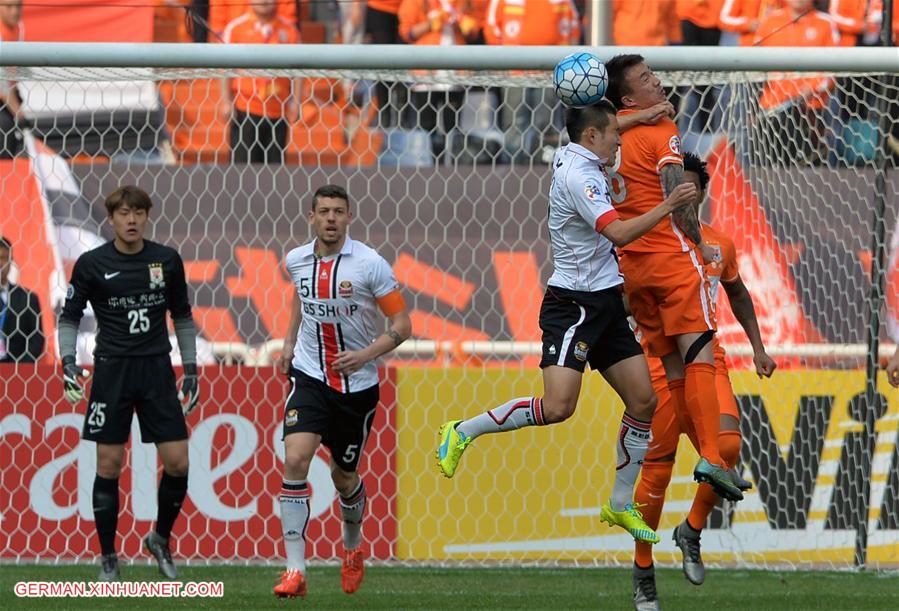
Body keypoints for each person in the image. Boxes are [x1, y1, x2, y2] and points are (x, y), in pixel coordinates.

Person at [436, 101, 698, 544]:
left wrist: (648, 112)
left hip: (607, 302)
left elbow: (606, 126)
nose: (621, 138)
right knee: (558, 407)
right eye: (615, 132)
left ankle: (618, 505)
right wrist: (670, 204)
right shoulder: (580, 177)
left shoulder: (578, 149)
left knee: (643, 401)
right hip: (574, 305)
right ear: (593, 137)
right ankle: (461, 431)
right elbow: (617, 233)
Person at [630, 153, 777, 611]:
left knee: (727, 451)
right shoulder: (645, 243)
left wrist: (757, 346)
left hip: (707, 358)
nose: (682, 199)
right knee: (656, 469)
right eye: (675, 190)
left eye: (690, 191)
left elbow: (738, 292)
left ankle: (691, 529)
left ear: (701, 194)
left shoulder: (718, 245)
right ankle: (643, 569)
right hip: (657, 364)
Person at [604, 54, 744, 503]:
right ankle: (710, 457)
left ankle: (705, 462)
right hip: (669, 258)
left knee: (672, 366)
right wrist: (697, 240)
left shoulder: (600, 136)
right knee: (700, 350)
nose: (658, 82)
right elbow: (676, 192)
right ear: (628, 96)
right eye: (646, 78)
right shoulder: (661, 129)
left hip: (630, 267)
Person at [274, 184, 412, 598]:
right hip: (309, 375)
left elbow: (402, 327)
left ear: (349, 217)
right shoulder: (296, 260)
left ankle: (352, 547)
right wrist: (287, 343)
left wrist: (364, 355)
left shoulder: (370, 265)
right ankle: (295, 572)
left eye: (338, 211)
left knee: (343, 474)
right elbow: (302, 298)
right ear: (311, 218)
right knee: (295, 458)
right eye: (324, 211)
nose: (331, 218)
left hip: (357, 386)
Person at [58, 186, 200, 581]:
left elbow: (183, 316)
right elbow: (69, 316)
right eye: (124, 213)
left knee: (178, 461)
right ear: (111, 218)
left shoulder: (166, 260)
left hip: (156, 369)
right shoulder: (91, 263)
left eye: (138, 212)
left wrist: (191, 368)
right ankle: (108, 557)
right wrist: (68, 360)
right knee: (108, 464)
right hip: (112, 371)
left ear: (147, 216)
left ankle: (160, 538)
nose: (132, 219)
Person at [221, 0, 301, 164]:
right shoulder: (235, 28)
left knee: (274, 173)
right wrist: (225, 100)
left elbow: (299, 70)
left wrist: (297, 101)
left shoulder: (290, 30)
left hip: (278, 112)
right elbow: (225, 67)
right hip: (246, 110)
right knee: (242, 169)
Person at [0, 236, 44, 362]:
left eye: (3, 258)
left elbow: (37, 338)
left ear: (11, 261)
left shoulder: (28, 298)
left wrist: (21, 368)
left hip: (17, 373)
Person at [0, 0, 24, 159]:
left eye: (19, 5)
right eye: (9, 6)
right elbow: (2, 85)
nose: (15, 11)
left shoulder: (19, 29)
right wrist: (20, 114)